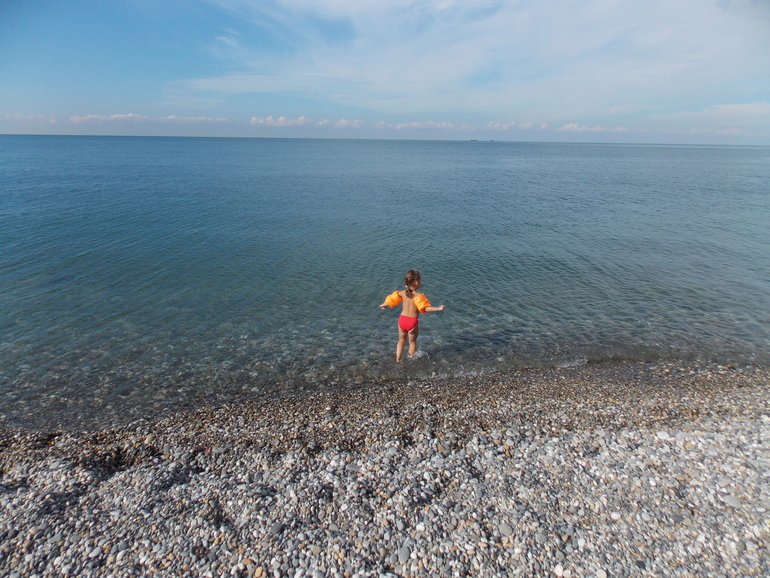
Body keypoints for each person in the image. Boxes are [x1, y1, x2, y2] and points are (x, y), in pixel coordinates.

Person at [379, 269, 445, 362]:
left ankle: (398, 359)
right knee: (412, 342)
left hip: (402, 320)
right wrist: (437, 308)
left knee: (401, 341)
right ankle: (411, 359)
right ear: (416, 283)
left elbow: (391, 300)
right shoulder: (418, 296)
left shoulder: (401, 293)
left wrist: (383, 304)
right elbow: (424, 308)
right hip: (412, 322)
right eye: (420, 281)